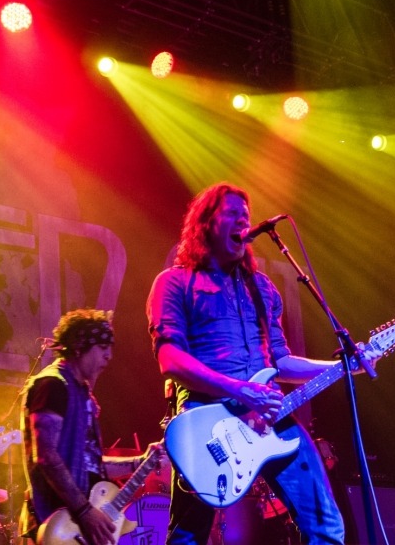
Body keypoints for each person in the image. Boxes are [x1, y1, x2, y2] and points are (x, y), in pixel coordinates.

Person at [145, 182, 348, 545]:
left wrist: (345, 366)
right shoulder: (174, 283)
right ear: (206, 223)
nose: (243, 221)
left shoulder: (263, 288)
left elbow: (281, 361)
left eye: (247, 216)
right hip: (205, 419)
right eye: (233, 214)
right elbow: (170, 359)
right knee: (188, 536)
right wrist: (239, 390)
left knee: (326, 526)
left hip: (271, 418)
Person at [20, 309, 148, 545]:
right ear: (79, 346)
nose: (109, 356)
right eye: (102, 347)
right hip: (55, 524)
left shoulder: (82, 395)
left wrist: (140, 462)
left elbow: (91, 466)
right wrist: (84, 511)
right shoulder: (52, 385)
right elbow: (46, 457)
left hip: (77, 525)